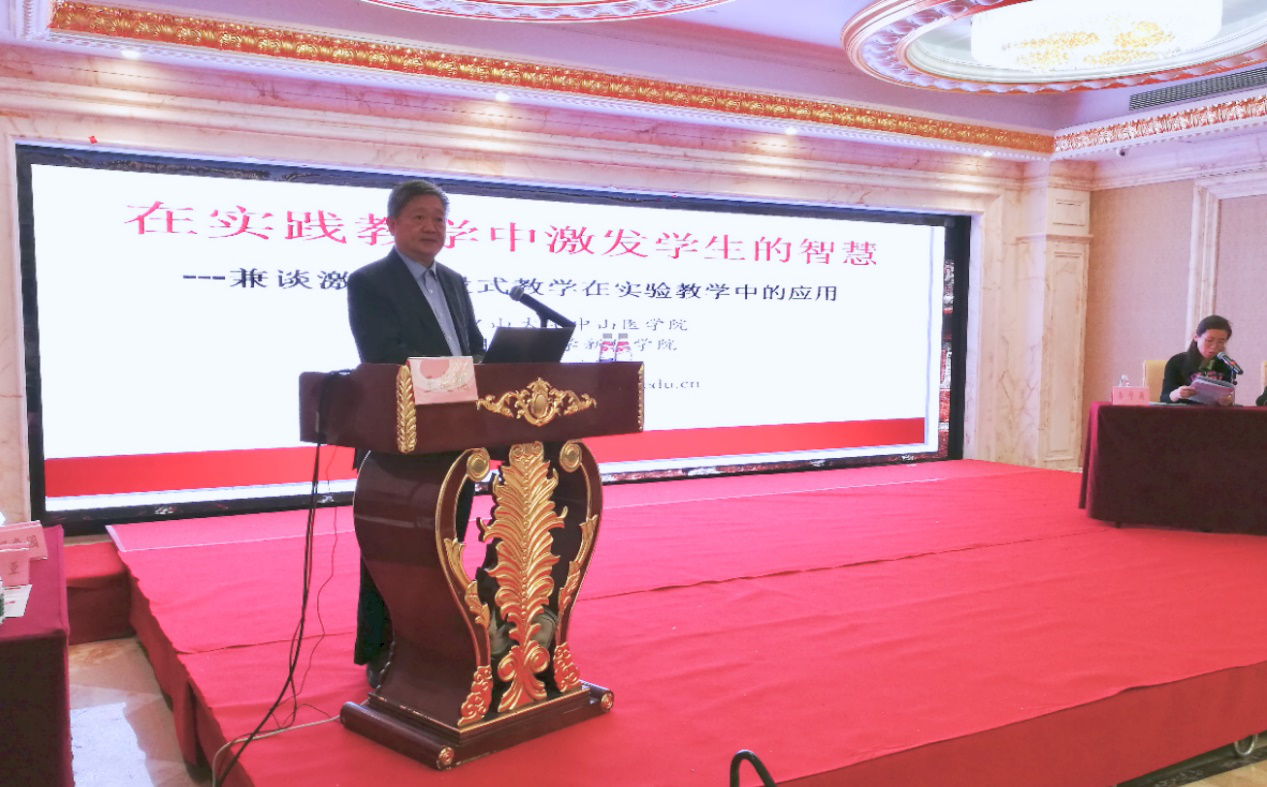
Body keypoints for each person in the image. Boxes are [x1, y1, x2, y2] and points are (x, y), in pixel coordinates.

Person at [346, 179, 485, 687]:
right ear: (392, 224)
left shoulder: (455, 282)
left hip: (455, 439)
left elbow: (474, 347)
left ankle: (436, 640)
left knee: (447, 545)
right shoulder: (370, 282)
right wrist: (465, 376)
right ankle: (381, 648)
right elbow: (384, 357)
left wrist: (497, 367)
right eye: (419, 217)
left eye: (439, 219)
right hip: (400, 441)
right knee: (393, 550)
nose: (431, 227)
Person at [1159, 314, 1236, 405]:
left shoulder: (1225, 364)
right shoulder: (1177, 362)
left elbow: (1227, 396)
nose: (1214, 346)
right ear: (1196, 337)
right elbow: (1164, 398)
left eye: (1221, 341)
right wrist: (1177, 394)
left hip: (1212, 412)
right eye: (1209, 340)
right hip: (1183, 411)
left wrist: (1226, 401)